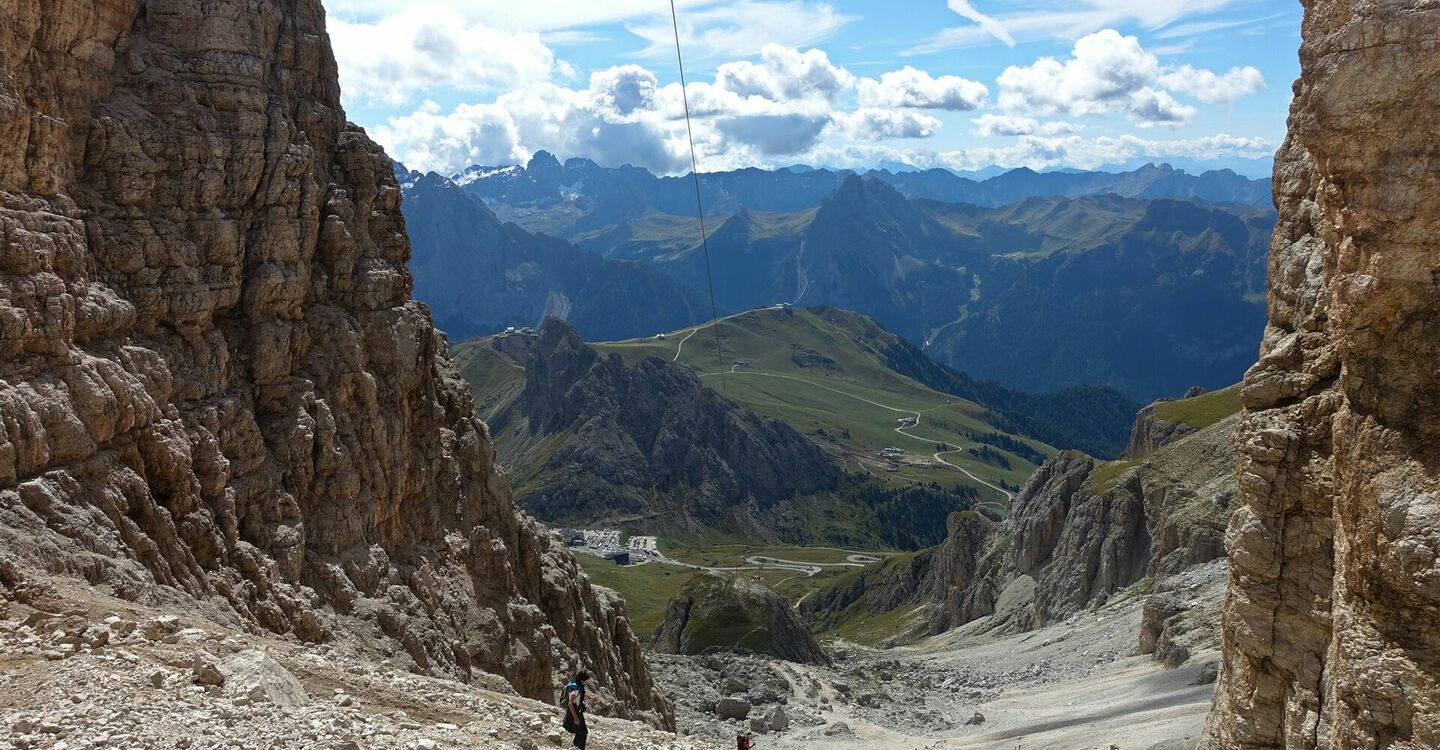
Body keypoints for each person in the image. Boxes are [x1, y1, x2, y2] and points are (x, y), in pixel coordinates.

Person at [562, 671, 590, 749]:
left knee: (581, 731)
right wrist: (575, 717)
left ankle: (576, 746)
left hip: (576, 710)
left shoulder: (576, 684)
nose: (587, 682)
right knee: (583, 732)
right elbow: (570, 703)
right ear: (582, 680)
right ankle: (579, 747)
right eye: (586, 680)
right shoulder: (575, 688)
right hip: (574, 710)